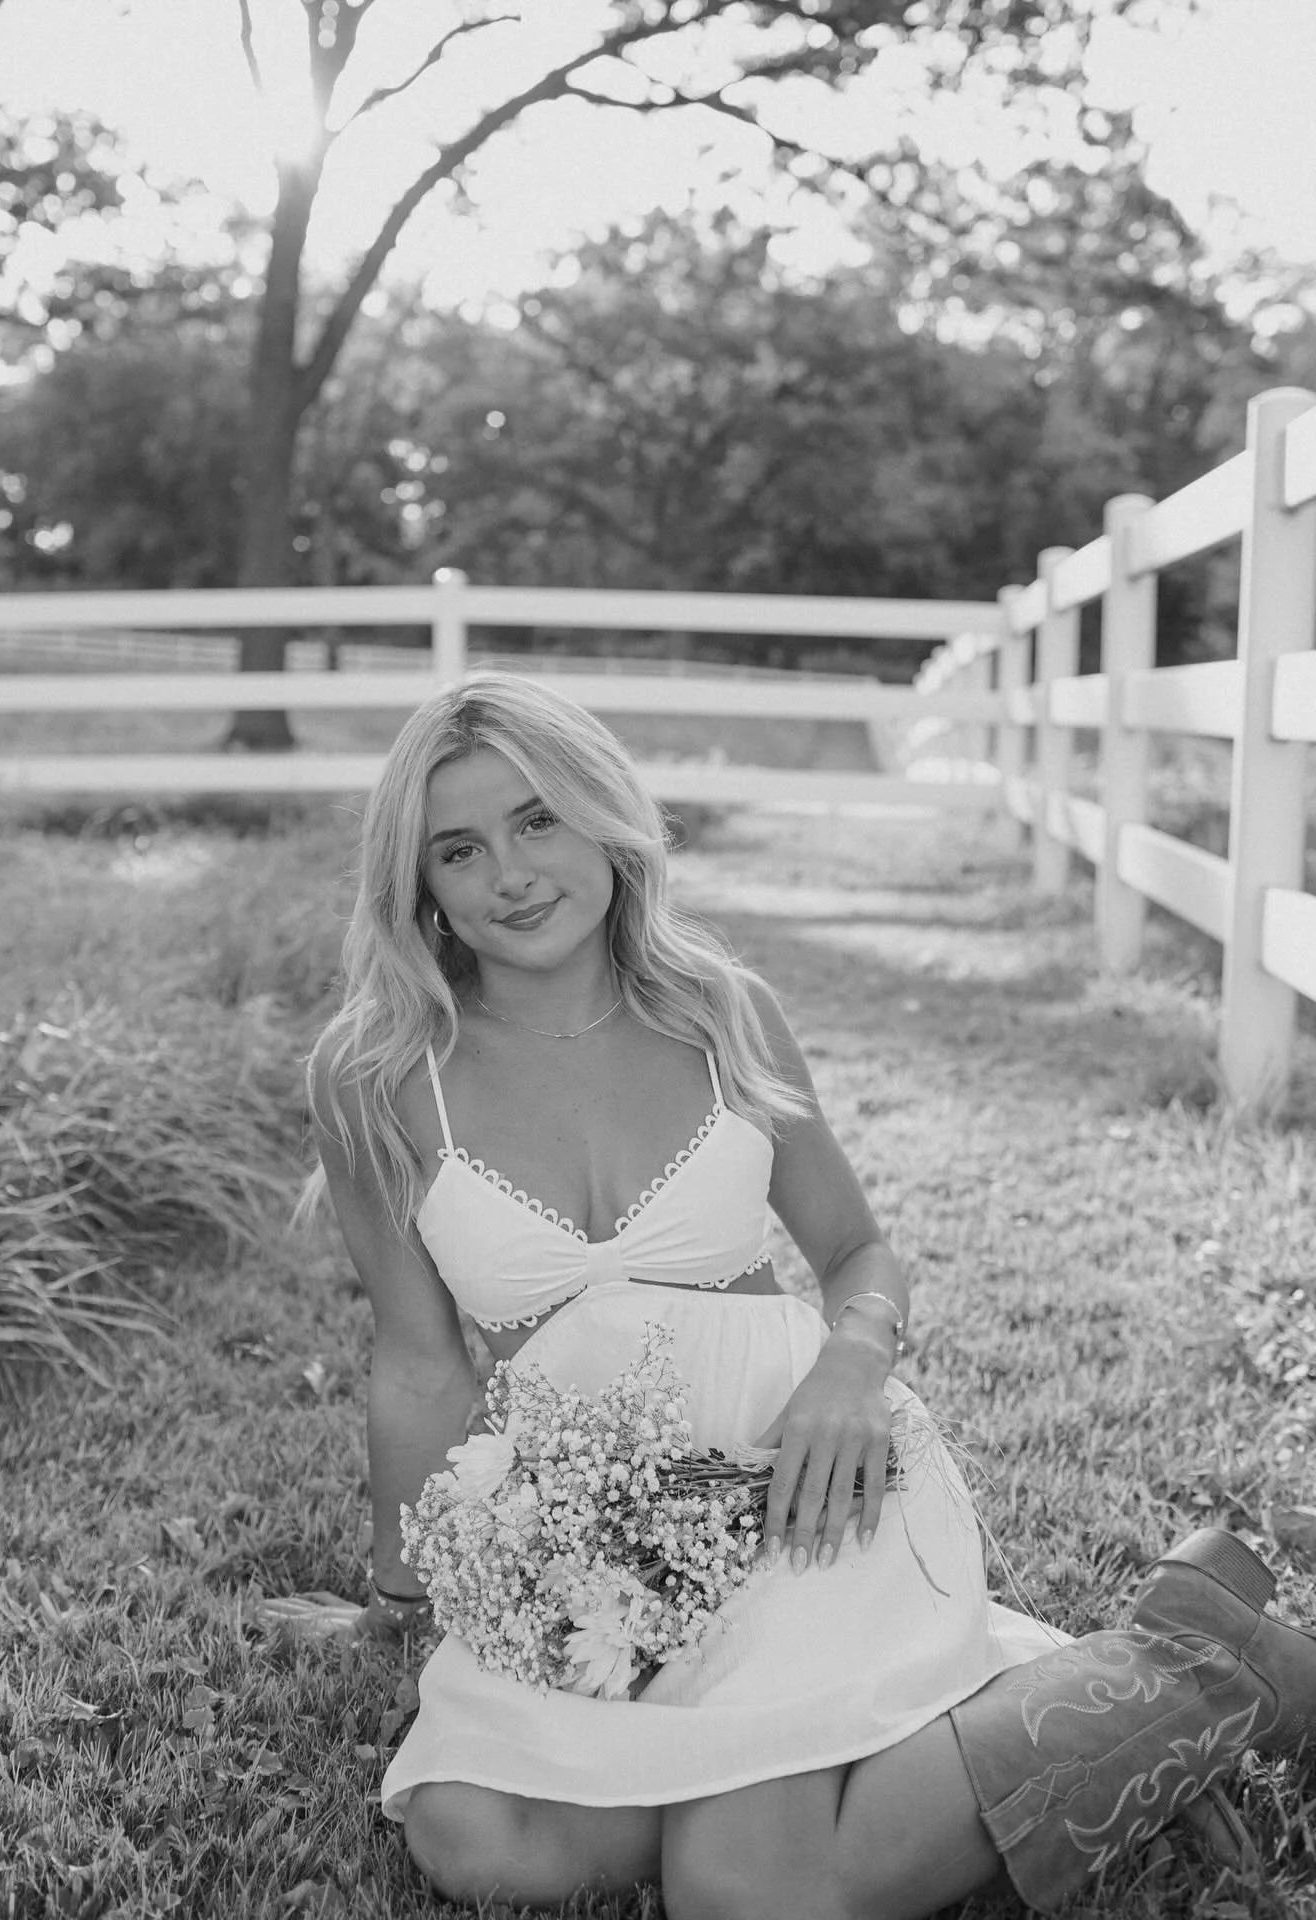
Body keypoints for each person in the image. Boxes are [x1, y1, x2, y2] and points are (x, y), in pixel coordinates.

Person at [299, 668, 1315, 1918]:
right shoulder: (380, 1077)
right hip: (591, 1530)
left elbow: (856, 1254)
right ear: (423, 889)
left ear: (604, 817)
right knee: (479, 1838)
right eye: (460, 848)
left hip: (799, 1480)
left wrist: (850, 1369)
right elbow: (419, 1362)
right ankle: (1099, 1703)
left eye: (539, 819)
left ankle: (1185, 1672)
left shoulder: (724, 1012)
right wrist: (406, 1601)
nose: (509, 872)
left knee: (743, 1891)